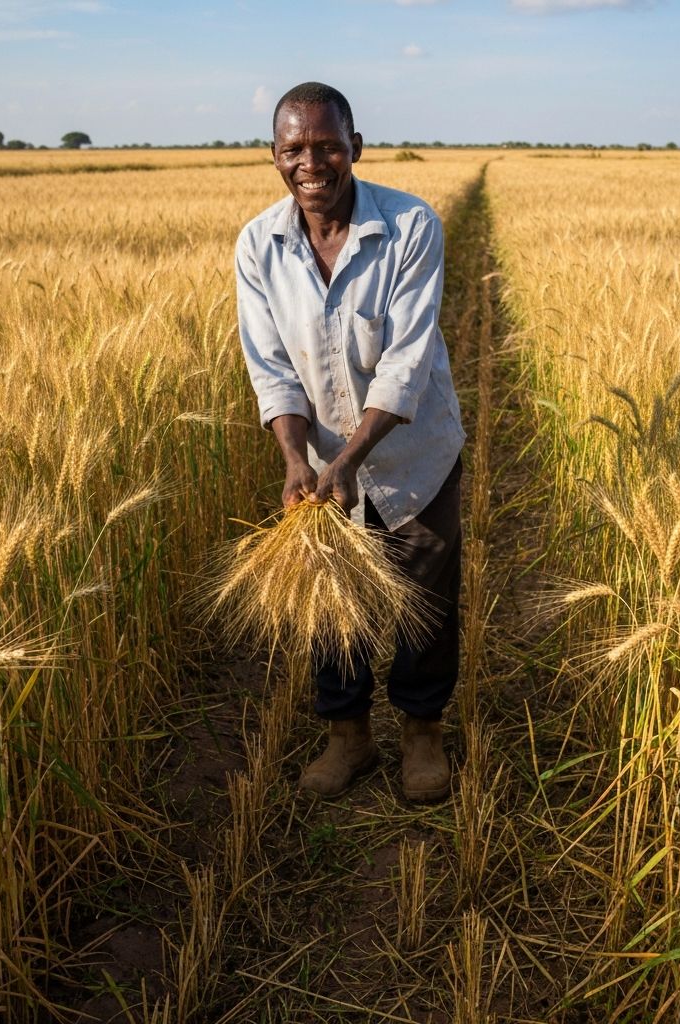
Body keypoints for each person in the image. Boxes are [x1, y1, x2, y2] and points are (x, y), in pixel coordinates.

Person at [234, 81, 465, 802]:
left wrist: (351, 458)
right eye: (294, 148)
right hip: (324, 458)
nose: (311, 161)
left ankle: (422, 734)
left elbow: (406, 361)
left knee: (424, 590)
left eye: (327, 145)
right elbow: (270, 366)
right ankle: (349, 736)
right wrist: (297, 459)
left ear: (354, 147)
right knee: (331, 599)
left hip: (412, 454)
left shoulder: (410, 226)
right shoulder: (258, 246)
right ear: (274, 157)